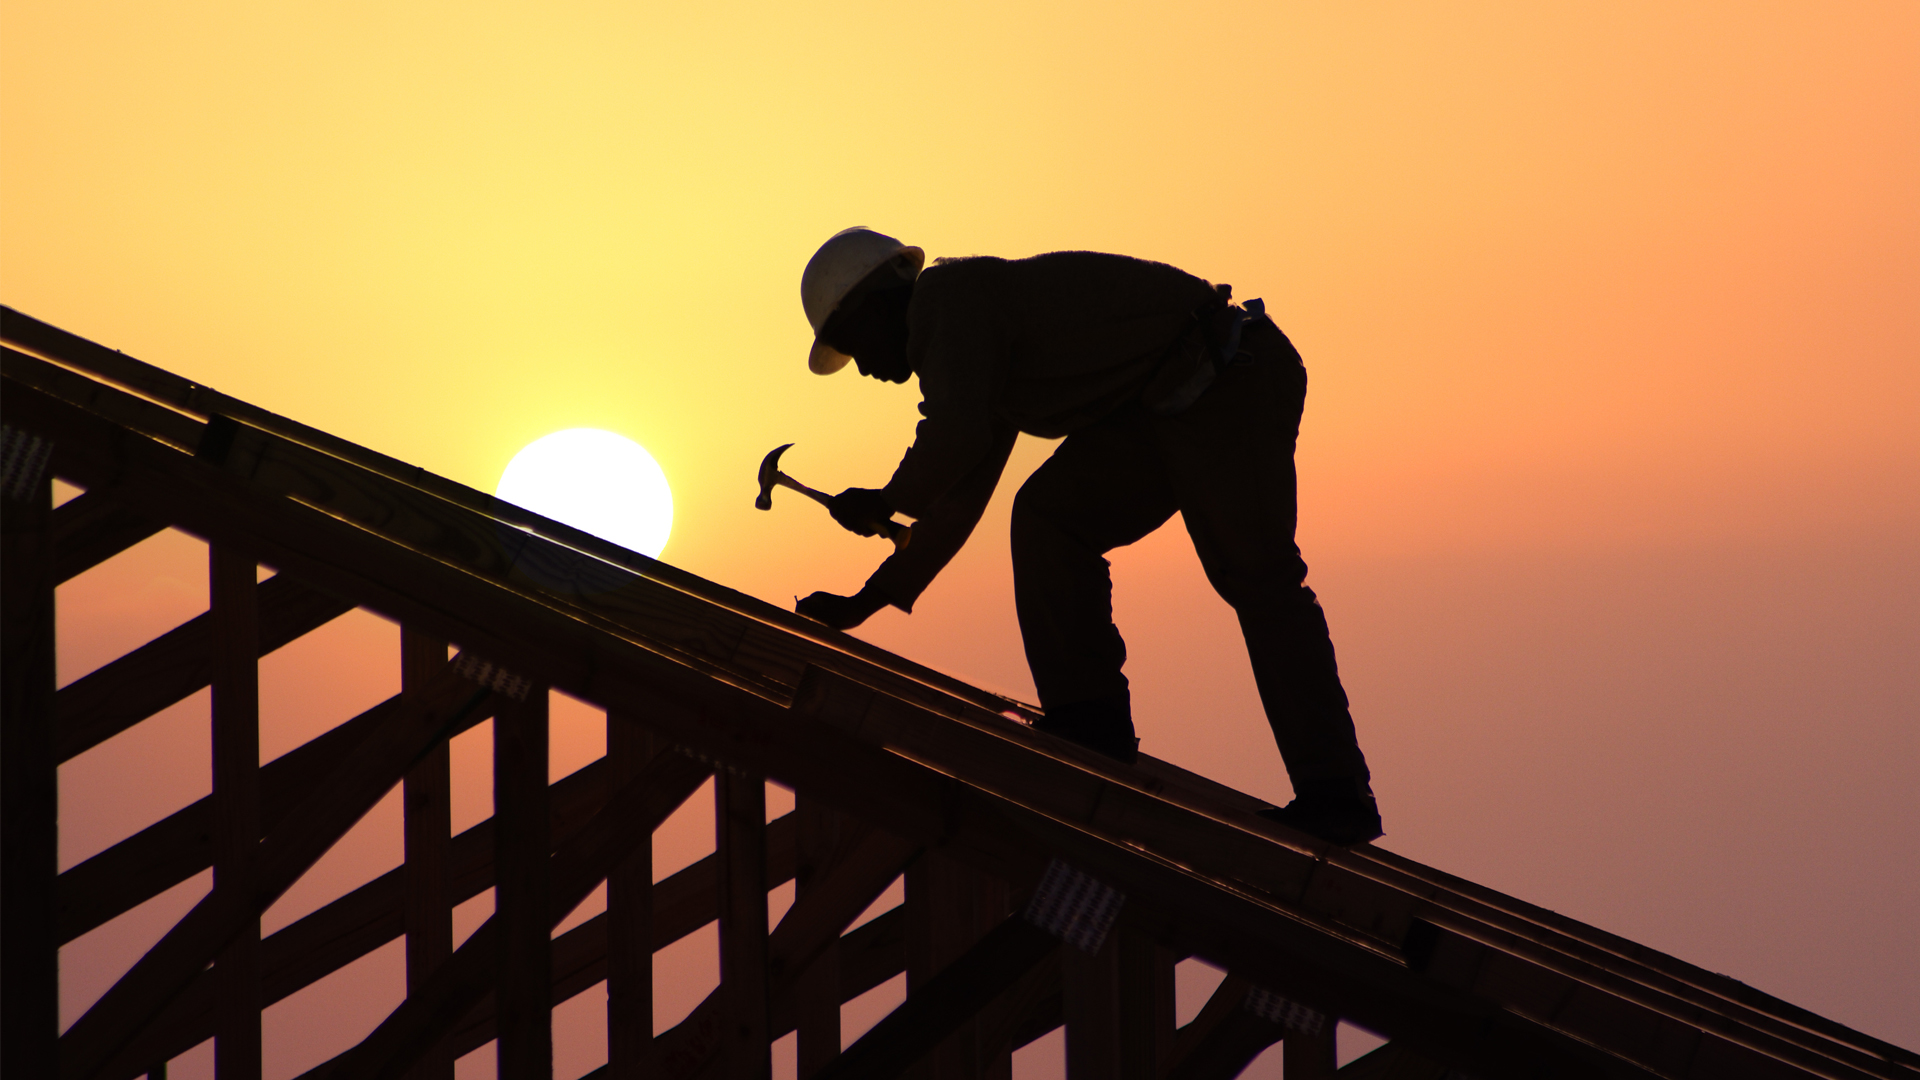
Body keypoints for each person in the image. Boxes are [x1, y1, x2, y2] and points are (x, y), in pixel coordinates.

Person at [792, 227, 1381, 844]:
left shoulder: (948, 303)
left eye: (853, 344)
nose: (863, 367)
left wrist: (886, 500)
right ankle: (1091, 720)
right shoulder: (969, 347)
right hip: (1164, 403)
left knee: (1259, 578)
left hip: (1228, 377)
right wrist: (870, 598)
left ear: (875, 306)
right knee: (1049, 518)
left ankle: (1337, 792)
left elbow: (954, 438)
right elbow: (958, 496)